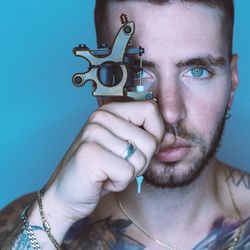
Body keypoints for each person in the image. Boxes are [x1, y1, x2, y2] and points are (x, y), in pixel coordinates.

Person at [1, 0, 250, 249]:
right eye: (138, 73)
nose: (170, 112)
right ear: (101, 85)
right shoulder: (33, 218)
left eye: (197, 71)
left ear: (232, 83)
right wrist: (58, 209)